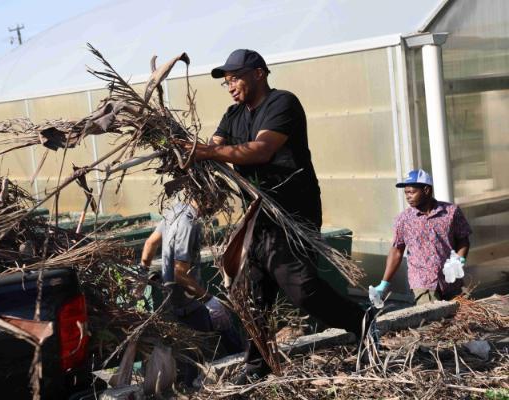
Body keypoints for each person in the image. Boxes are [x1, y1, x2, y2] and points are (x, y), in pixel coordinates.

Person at [183, 49, 372, 383]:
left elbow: (261, 150)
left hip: (292, 212)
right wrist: (189, 155)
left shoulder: (282, 104)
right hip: (258, 216)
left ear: (259, 74)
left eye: (235, 78)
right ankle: (258, 366)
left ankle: (361, 320)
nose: (230, 87)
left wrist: (208, 151)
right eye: (226, 82)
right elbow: (213, 148)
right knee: (256, 294)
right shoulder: (232, 114)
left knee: (302, 289)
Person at [140, 199, 243, 386]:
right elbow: (179, 273)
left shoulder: (174, 211)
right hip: (188, 302)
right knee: (198, 359)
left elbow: (149, 243)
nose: (215, 209)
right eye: (216, 204)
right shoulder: (188, 222)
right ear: (208, 197)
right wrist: (208, 299)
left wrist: (142, 273)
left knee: (212, 339)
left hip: (173, 300)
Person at [373, 169, 472, 305]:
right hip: (423, 283)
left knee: (462, 320)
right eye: (406, 193)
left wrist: (459, 261)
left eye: (411, 192)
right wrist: (384, 284)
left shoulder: (451, 212)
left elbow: (463, 240)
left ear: (426, 190)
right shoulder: (403, 220)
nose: (408, 196)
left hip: (451, 280)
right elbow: (397, 251)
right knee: (434, 321)